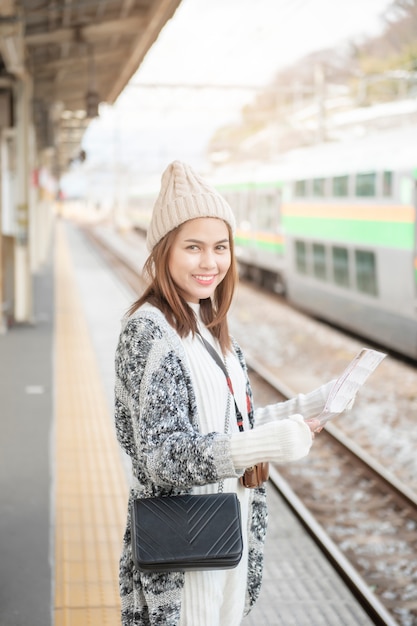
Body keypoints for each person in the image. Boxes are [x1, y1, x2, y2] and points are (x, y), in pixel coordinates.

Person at [114, 160, 336, 626]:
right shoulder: (150, 331)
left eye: (220, 247)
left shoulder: (208, 326)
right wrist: (272, 443)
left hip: (226, 529)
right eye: (193, 247)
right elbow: (164, 457)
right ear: (163, 250)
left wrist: (312, 405)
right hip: (185, 545)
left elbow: (230, 426)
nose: (210, 262)